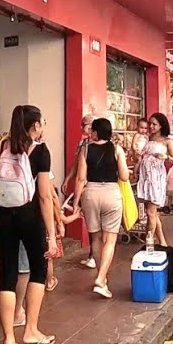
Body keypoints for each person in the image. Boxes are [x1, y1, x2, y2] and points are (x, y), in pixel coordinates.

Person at [0, 106, 60, 344]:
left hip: (3, 216)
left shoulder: (3, 146)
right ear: (34, 127)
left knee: (7, 273)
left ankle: (9, 340)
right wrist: (51, 235)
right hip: (29, 216)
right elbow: (43, 195)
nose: (43, 127)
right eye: (41, 123)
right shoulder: (40, 151)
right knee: (39, 270)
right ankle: (31, 331)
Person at [75, 118, 130, 299]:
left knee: (95, 238)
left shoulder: (86, 149)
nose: (90, 133)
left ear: (97, 132)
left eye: (93, 130)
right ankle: (100, 279)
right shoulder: (117, 149)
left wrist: (76, 202)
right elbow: (123, 176)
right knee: (110, 239)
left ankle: (102, 278)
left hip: (91, 193)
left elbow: (80, 178)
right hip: (111, 194)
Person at [136, 113, 173, 249]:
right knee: (153, 213)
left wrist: (165, 157)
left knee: (150, 212)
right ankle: (162, 241)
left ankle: (149, 241)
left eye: (154, 124)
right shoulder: (147, 138)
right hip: (145, 177)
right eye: (150, 124)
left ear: (161, 125)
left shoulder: (167, 140)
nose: (151, 126)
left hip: (156, 177)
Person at [65, 115, 96, 270]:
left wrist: (76, 199)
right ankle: (93, 254)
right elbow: (76, 165)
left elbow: (81, 175)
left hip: (91, 187)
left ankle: (95, 255)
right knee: (91, 223)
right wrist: (67, 179)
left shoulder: (95, 145)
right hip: (87, 187)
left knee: (94, 224)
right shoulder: (83, 144)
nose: (82, 127)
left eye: (84, 124)